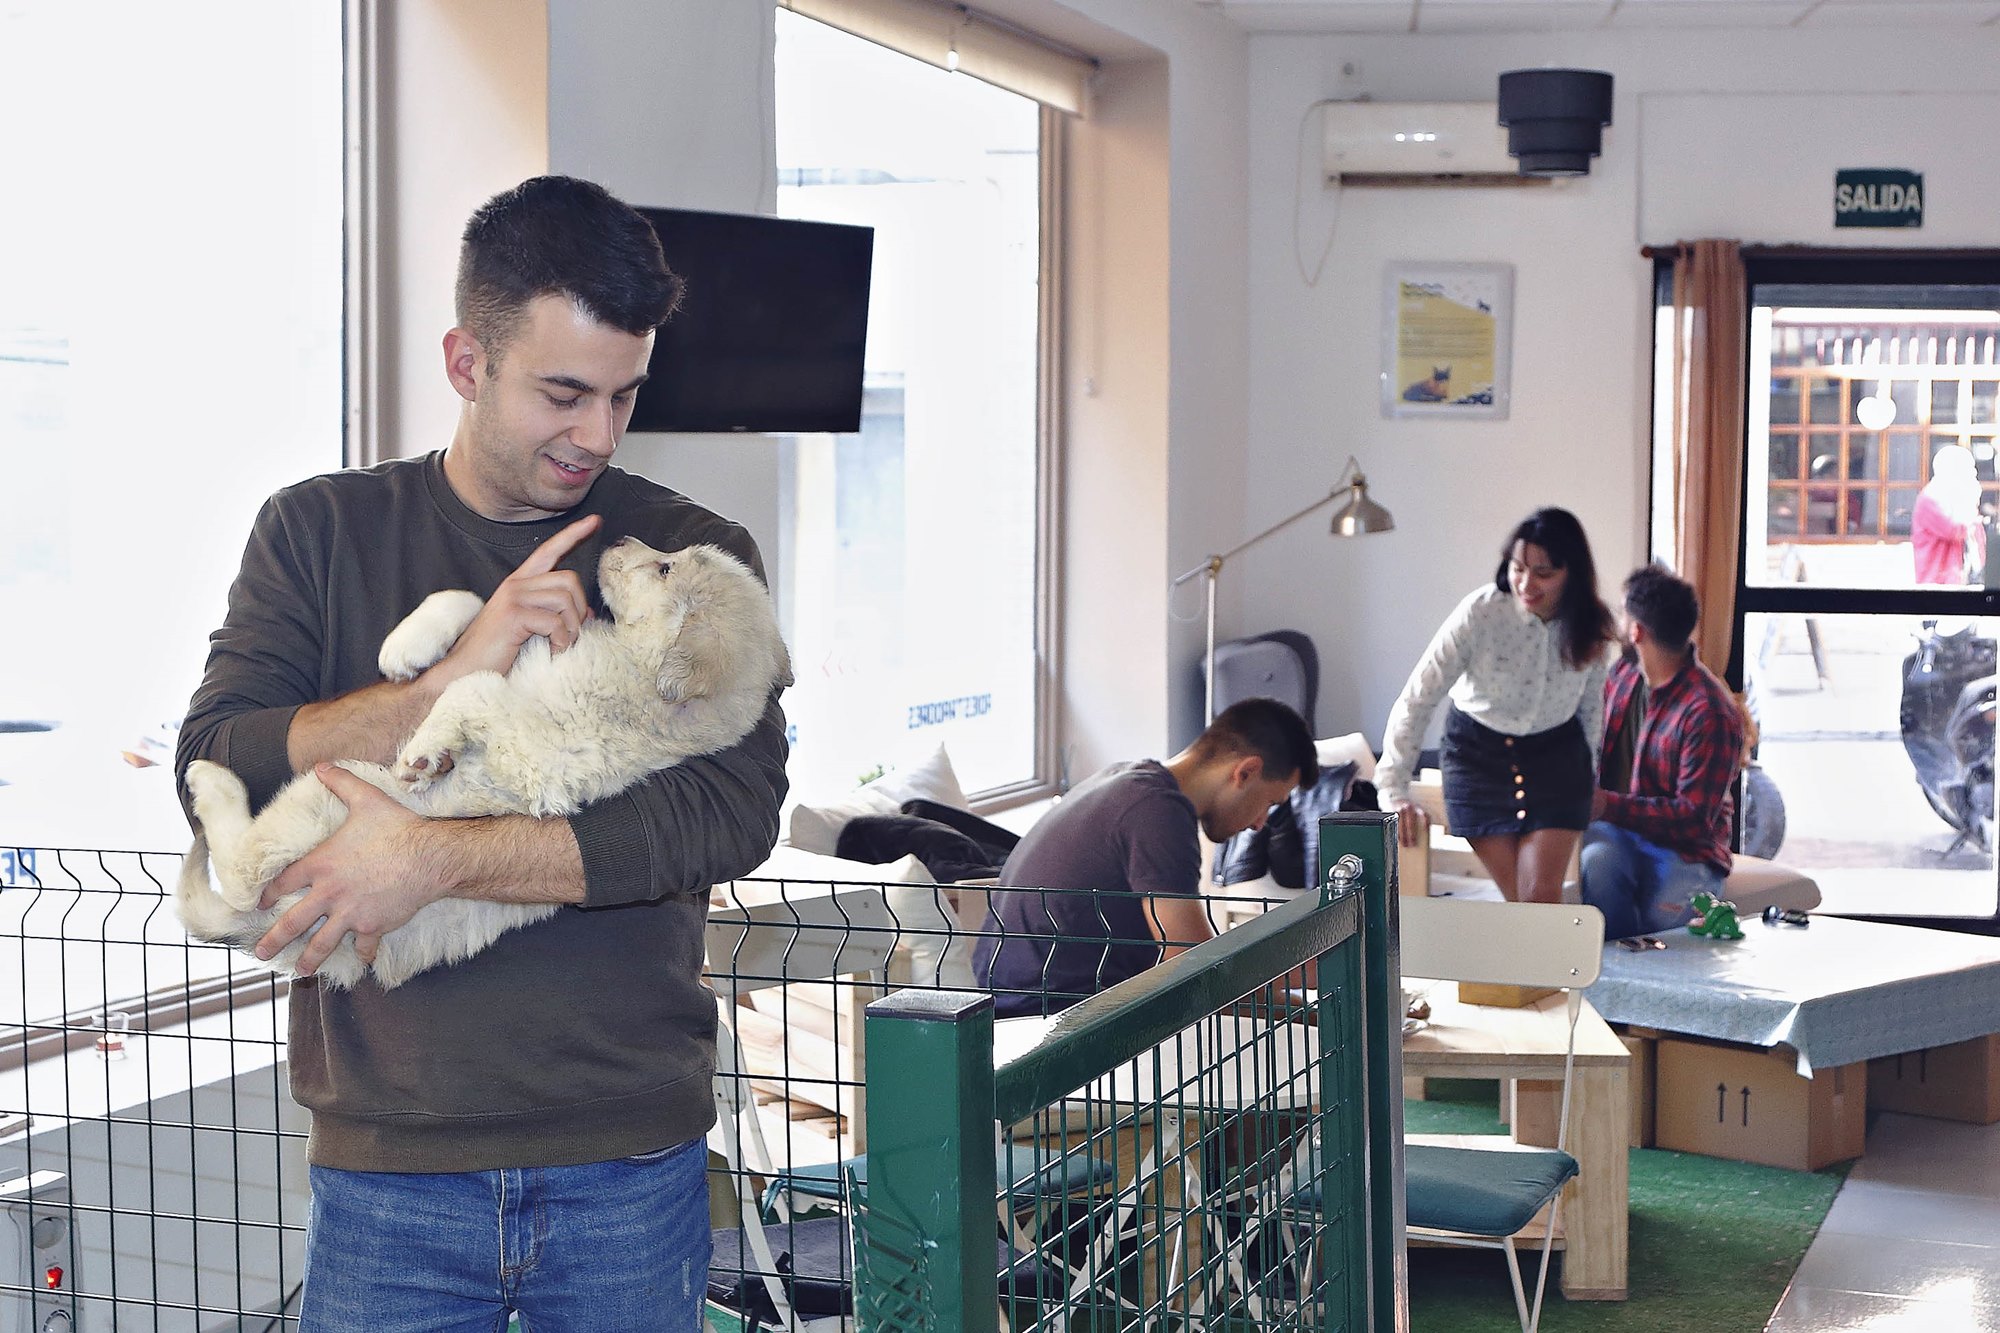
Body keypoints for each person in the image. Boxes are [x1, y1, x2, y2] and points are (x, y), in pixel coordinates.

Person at [174, 176, 789, 1331]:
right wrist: (452, 678)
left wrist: (435, 860)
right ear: (466, 362)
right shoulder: (315, 531)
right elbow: (221, 757)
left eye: (622, 395)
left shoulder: (694, 551)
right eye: (563, 393)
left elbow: (733, 809)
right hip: (388, 1169)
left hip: (630, 1159)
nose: (596, 435)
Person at [971, 698, 1316, 1018]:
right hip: (1048, 1021)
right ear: (1246, 772)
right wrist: (1307, 1000)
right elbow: (1193, 971)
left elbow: (1191, 960)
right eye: (1269, 803)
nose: (1259, 824)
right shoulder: (1157, 811)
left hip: (1014, 1006)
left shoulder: (1126, 780)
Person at [1375, 508, 1617, 904]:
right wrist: (1393, 788)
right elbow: (1420, 695)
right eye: (1518, 567)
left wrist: (1589, 774)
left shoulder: (1591, 625)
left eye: (1544, 573)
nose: (1526, 583)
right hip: (1477, 757)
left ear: (1572, 574)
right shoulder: (1481, 613)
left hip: (1558, 758)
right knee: (1520, 901)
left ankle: (1548, 967)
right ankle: (1542, 967)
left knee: (1539, 894)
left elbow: (1591, 708)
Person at [1579, 564, 1745, 940]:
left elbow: (1692, 820)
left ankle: (1644, 983)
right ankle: (1614, 980)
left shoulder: (1709, 712)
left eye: (1623, 615)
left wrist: (1607, 805)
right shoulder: (1623, 676)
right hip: (1617, 834)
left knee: (1663, 928)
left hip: (1687, 852)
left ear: (1636, 630)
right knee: (1597, 863)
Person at [1912, 443, 1987, 585]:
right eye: (1967, 470)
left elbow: (1977, 540)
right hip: (1936, 582)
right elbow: (1955, 530)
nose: (1972, 475)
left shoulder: (1958, 498)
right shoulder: (1931, 498)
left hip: (1961, 581)